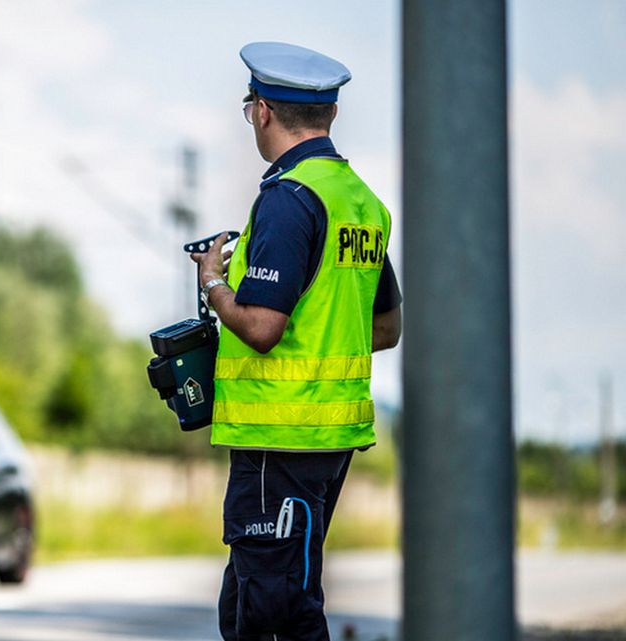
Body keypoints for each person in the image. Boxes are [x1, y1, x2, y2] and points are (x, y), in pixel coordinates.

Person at [191, 41, 403, 641]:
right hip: (328, 437)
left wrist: (214, 283)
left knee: (272, 612)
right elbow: (385, 328)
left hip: (277, 439)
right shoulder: (359, 203)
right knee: (260, 601)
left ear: (261, 111)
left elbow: (261, 327)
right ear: (329, 114)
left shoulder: (288, 199)